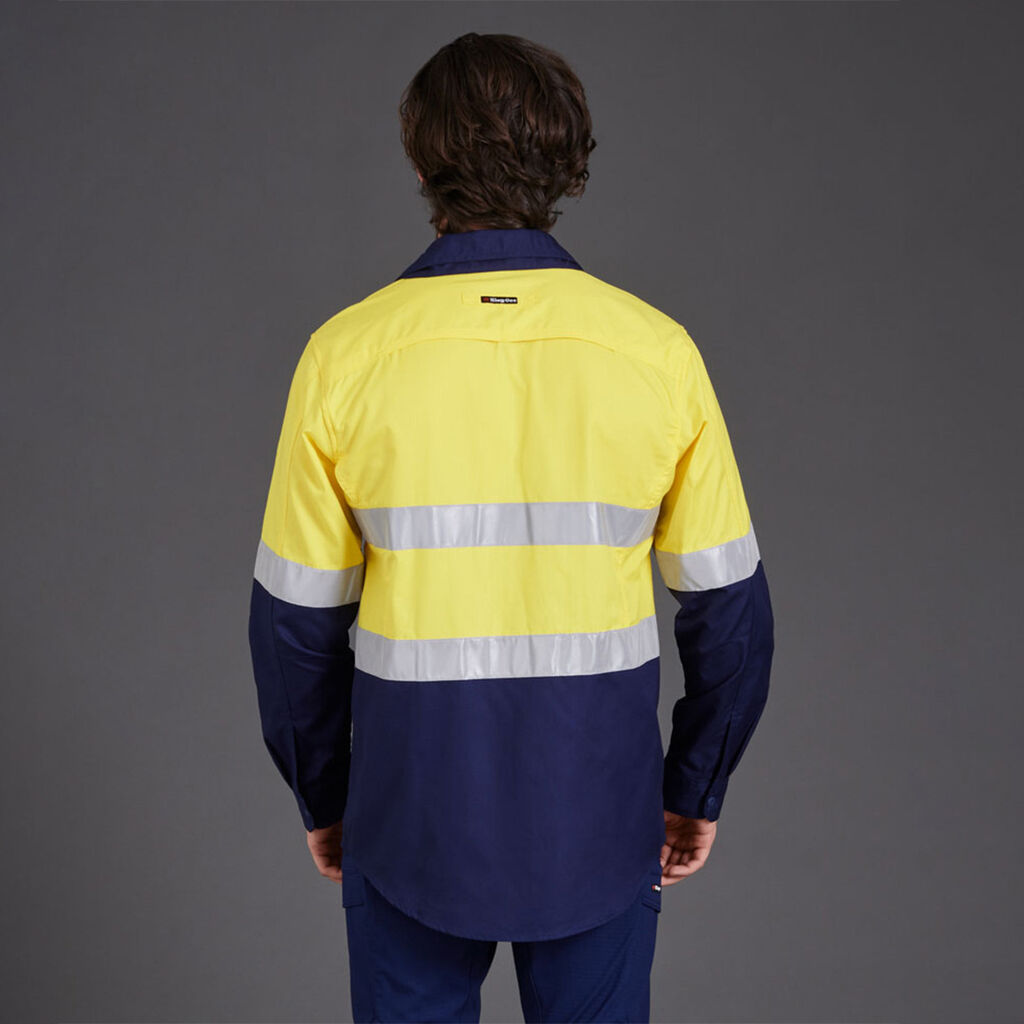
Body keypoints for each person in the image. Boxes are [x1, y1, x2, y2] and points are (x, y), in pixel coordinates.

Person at [248, 31, 774, 1024]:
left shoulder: (344, 357)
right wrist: (693, 785)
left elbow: (293, 624)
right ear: (569, 164)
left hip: (407, 817)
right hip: (599, 816)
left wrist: (327, 796)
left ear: (420, 163)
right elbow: (731, 614)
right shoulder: (656, 354)